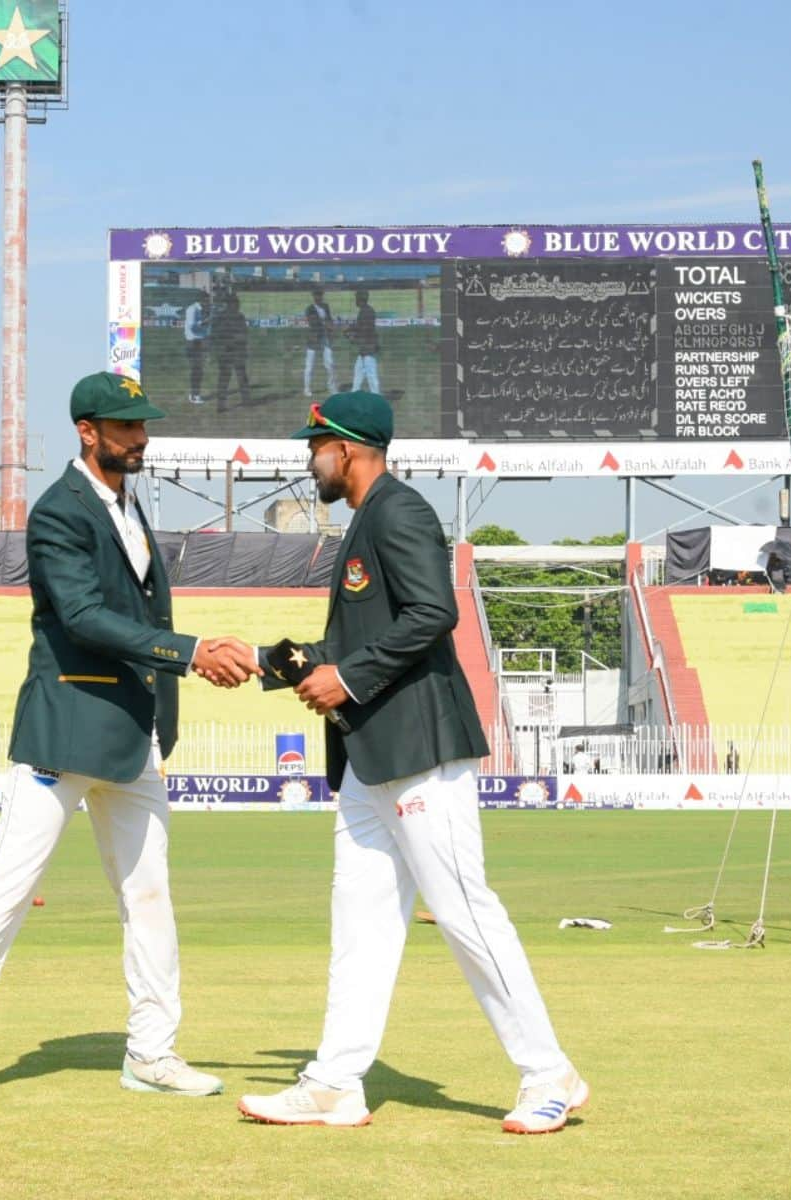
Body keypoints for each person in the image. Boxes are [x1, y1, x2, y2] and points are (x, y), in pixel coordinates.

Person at [0, 372, 260, 1107]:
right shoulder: (58, 512)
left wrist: (172, 687)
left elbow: (137, 611)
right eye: (126, 426)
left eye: (143, 424)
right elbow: (85, 618)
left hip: (132, 734)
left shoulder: (128, 505)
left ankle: (152, 1051)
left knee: (150, 896)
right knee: (5, 891)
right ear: (86, 431)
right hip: (66, 731)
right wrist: (190, 652)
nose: (141, 437)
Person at [240, 391, 586, 1135]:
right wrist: (270, 664)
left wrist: (351, 677)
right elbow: (365, 638)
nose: (310, 461)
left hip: (419, 752)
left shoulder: (398, 511)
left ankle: (548, 1073)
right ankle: (336, 1081)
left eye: (316, 448)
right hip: (370, 758)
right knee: (360, 923)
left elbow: (435, 613)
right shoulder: (368, 518)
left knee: (464, 912)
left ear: (349, 450)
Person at [210, 278, 252, 413]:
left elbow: (245, 334)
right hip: (226, 352)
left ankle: (245, 401)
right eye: (235, 303)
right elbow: (216, 335)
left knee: (241, 377)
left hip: (236, 352)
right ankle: (221, 405)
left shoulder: (240, 317)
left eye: (237, 303)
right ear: (230, 304)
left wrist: (243, 345)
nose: (237, 306)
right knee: (225, 378)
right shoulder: (221, 317)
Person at [302, 287, 336, 397]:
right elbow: (314, 323)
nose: (318, 297)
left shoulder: (326, 307)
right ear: (313, 296)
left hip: (325, 338)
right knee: (310, 365)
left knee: (330, 363)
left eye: (320, 295)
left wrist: (331, 327)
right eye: (316, 295)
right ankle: (307, 388)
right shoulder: (309, 309)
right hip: (313, 339)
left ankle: (331, 386)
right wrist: (327, 325)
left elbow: (330, 320)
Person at [181, 290, 209, 406]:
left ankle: (195, 394)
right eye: (207, 299)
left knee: (199, 370)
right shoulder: (192, 309)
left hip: (200, 342)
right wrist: (205, 321)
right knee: (196, 370)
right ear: (201, 299)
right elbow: (192, 326)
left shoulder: (201, 309)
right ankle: (194, 395)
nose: (208, 302)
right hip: (193, 343)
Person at [349, 288, 381, 393]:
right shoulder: (365, 310)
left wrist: (354, 336)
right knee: (358, 373)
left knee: (371, 376)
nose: (355, 300)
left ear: (360, 299)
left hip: (368, 348)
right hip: (365, 348)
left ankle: (377, 399)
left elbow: (365, 330)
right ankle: (354, 394)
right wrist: (351, 329)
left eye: (356, 298)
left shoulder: (366, 312)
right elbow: (360, 326)